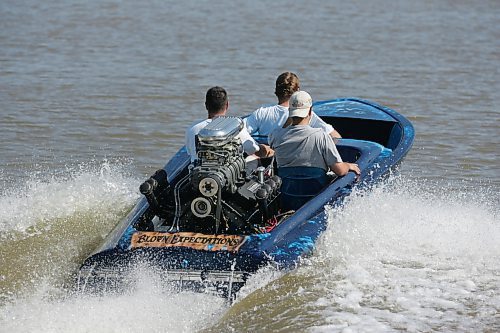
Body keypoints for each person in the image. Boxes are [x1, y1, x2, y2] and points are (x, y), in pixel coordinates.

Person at [269, 90, 360, 177]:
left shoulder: (275, 135)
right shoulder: (321, 136)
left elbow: (284, 130)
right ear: (310, 111)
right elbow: (340, 171)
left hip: (287, 190)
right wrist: (348, 165)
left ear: (289, 111)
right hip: (316, 189)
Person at [185, 86, 272, 162]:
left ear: (206, 105)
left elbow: (190, 153)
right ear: (227, 105)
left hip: (198, 177)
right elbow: (254, 150)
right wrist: (270, 150)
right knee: (254, 159)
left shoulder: (192, 129)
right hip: (225, 178)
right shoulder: (234, 127)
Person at [244, 72, 341, 138]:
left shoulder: (262, 113)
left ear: (276, 91)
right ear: (297, 91)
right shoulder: (305, 115)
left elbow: (238, 131)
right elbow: (334, 136)